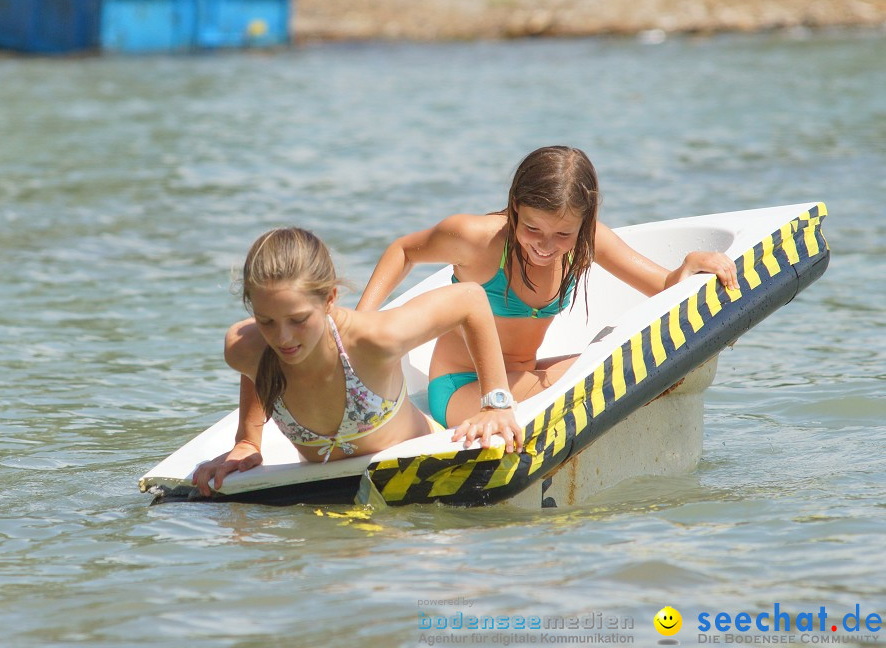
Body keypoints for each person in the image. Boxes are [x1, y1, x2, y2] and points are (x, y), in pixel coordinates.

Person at [355, 145, 738, 445]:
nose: (545, 245)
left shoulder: (589, 239)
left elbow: (664, 286)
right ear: (516, 207)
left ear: (584, 223)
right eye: (533, 228)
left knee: (615, 351)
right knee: (610, 371)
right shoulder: (478, 240)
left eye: (562, 235)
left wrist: (689, 267)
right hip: (465, 388)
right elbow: (404, 251)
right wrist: (361, 323)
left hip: (527, 373)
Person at [193, 227, 516, 496]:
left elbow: (470, 299)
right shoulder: (244, 348)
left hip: (425, 467)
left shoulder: (374, 341)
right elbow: (253, 364)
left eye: (299, 319)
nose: (283, 338)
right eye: (266, 322)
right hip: (332, 495)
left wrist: (495, 404)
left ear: (330, 298)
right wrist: (248, 440)